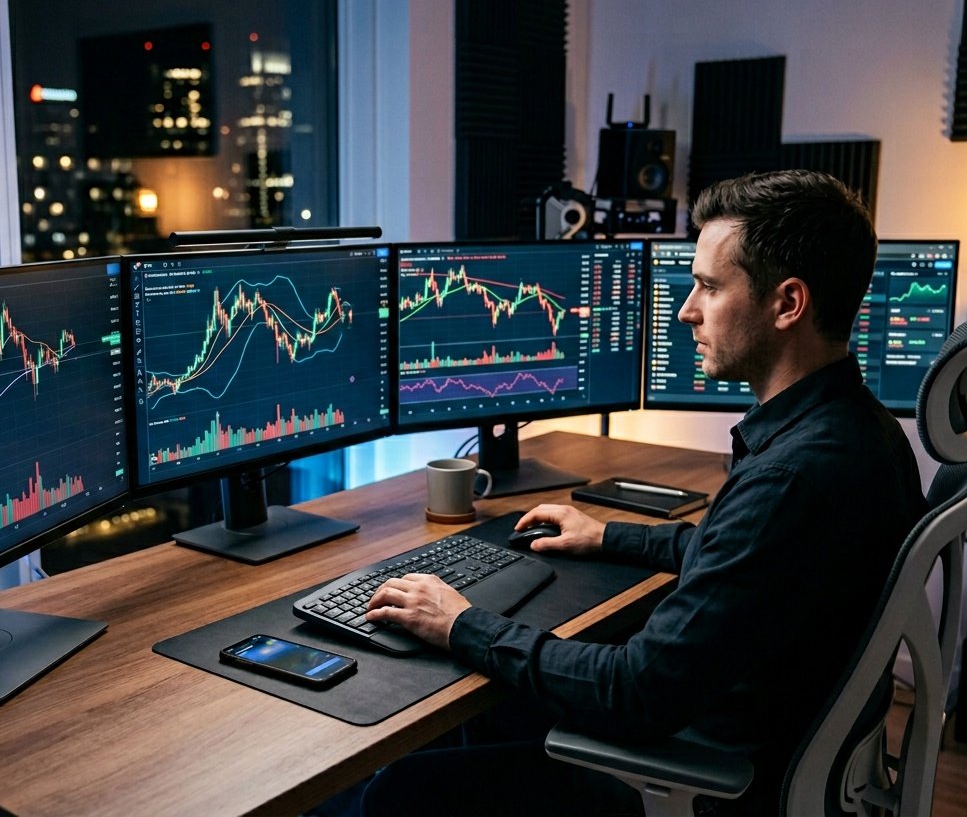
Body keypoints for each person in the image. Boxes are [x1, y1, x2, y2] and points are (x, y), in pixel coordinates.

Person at [360, 170, 929, 816]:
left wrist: (460, 622)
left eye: (709, 286)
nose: (687, 309)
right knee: (490, 716)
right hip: (773, 746)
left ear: (787, 303)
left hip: (711, 777)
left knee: (404, 790)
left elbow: (634, 693)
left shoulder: (791, 479)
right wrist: (609, 534)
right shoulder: (860, 432)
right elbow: (747, 562)